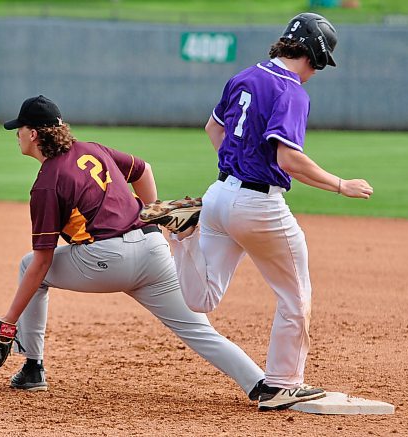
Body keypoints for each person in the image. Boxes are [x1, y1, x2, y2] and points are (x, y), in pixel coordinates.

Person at [140, 13, 374, 411]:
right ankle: (283, 383)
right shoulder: (293, 90)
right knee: (296, 297)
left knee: (201, 300)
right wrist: (340, 185)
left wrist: (238, 170)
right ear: (315, 55)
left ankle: (183, 235)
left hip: (216, 197)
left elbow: (213, 130)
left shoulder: (245, 75)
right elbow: (290, 159)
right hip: (259, 206)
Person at [0, 95, 266, 402]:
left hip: (106, 260)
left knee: (27, 263)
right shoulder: (93, 149)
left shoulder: (47, 182)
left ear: (33, 134)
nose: (16, 134)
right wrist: (152, 213)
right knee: (200, 331)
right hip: (153, 246)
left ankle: (33, 368)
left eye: (19, 128)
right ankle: (260, 383)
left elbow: (42, 263)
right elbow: (143, 170)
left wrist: (9, 322)